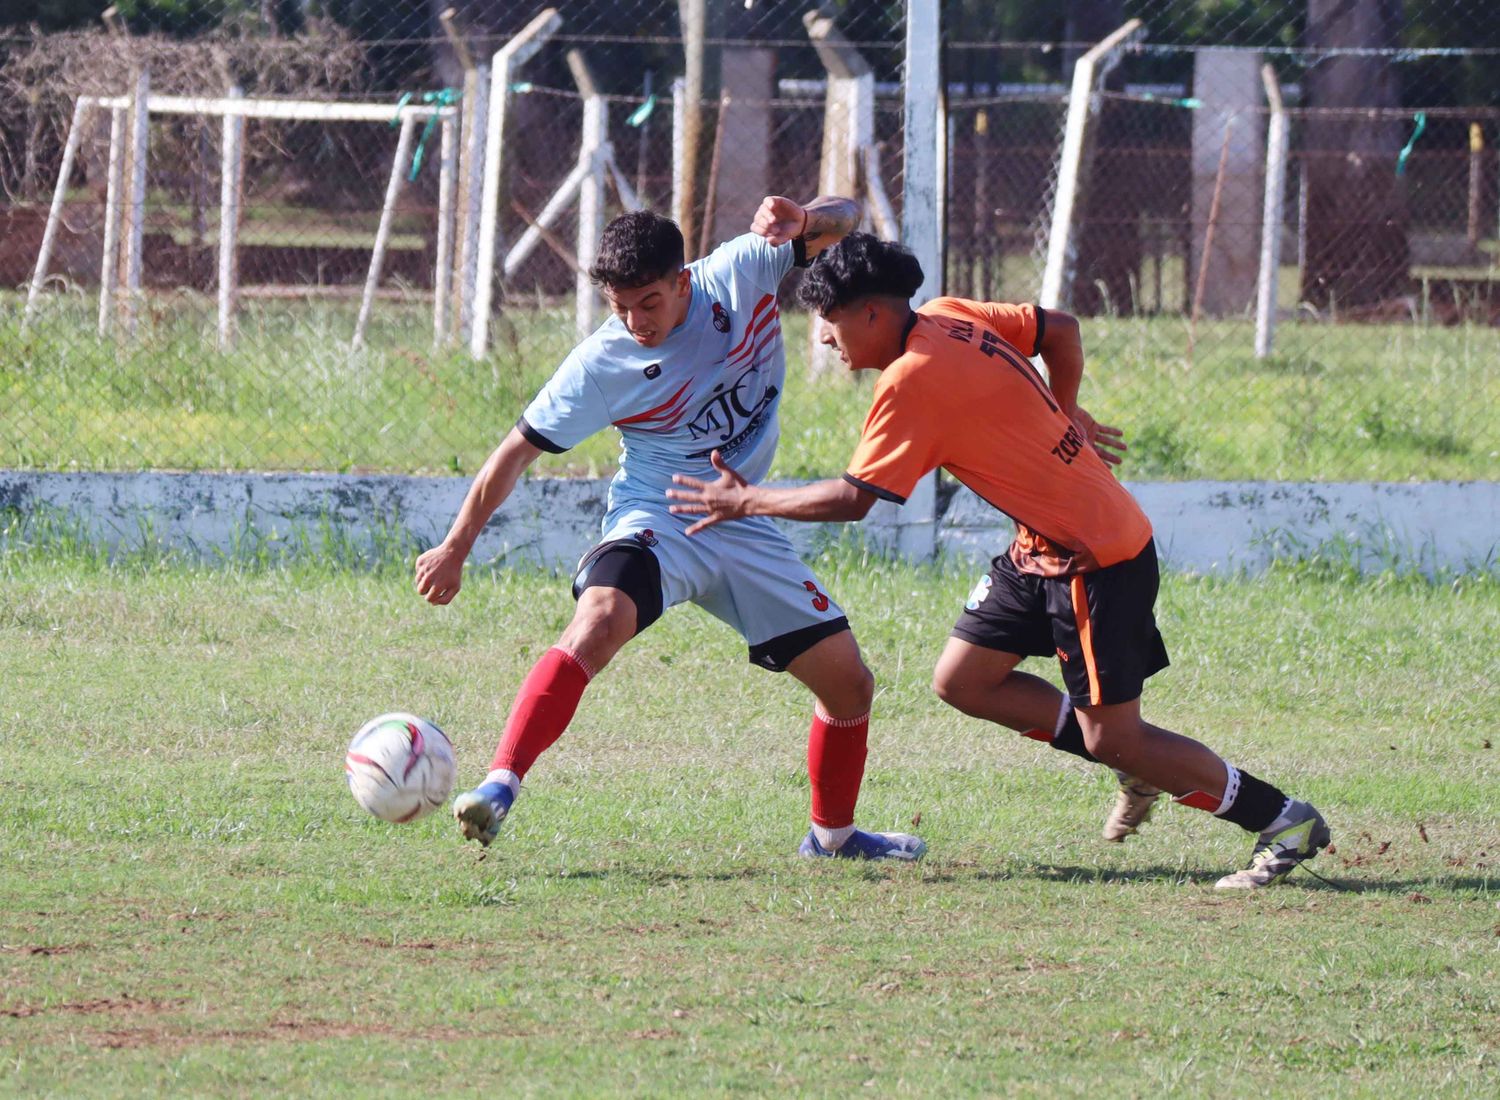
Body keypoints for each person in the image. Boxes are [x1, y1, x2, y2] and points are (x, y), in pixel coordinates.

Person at [666, 233, 1330, 889]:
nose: (826, 340)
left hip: (1093, 561)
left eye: (831, 323)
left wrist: (749, 500)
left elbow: (854, 499)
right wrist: (1062, 412)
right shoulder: (952, 313)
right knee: (964, 680)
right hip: (1038, 549)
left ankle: (1282, 820)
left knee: (1114, 737)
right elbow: (1059, 329)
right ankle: (1138, 764)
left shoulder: (912, 381)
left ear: (872, 312)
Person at [414, 202, 925, 861]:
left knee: (849, 684)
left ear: (684, 280)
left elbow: (844, 219)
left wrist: (805, 215)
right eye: (620, 306)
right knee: (598, 619)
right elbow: (513, 453)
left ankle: (832, 839)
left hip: (743, 516)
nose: (635, 321)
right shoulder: (601, 365)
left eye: (648, 302)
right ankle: (500, 785)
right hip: (659, 513)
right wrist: (456, 548)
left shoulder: (741, 270)